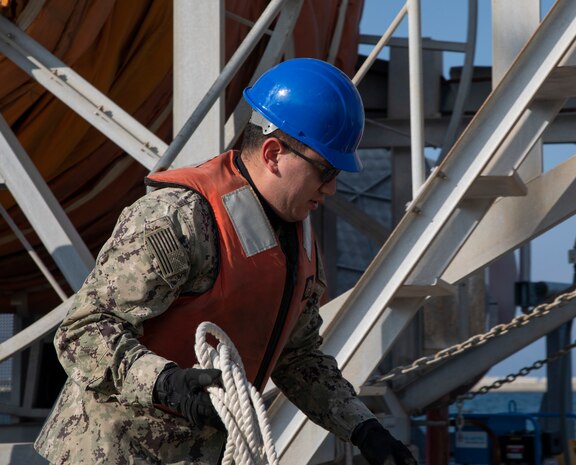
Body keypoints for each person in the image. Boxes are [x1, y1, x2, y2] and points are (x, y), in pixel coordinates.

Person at [34, 58, 417, 465]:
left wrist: (364, 430)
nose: (333, 188)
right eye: (325, 170)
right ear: (273, 153)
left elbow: (299, 358)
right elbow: (83, 332)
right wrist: (166, 383)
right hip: (113, 453)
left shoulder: (298, 239)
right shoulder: (177, 218)